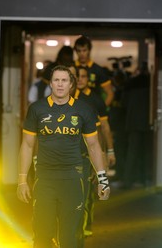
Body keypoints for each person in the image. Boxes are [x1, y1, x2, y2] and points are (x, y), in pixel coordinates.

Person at [16, 65, 110, 248]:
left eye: (64, 80)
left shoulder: (85, 110)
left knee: (70, 237)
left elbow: (94, 146)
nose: (60, 84)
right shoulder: (36, 109)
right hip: (45, 180)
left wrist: (103, 180)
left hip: (73, 180)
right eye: (56, 80)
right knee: (42, 235)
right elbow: (27, 146)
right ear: (50, 84)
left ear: (71, 85)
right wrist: (21, 180)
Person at [72, 66, 115, 244]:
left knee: (88, 192)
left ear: (87, 79)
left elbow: (103, 128)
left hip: (89, 153)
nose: (80, 79)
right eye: (77, 76)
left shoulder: (95, 100)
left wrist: (108, 152)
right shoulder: (63, 98)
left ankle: (84, 227)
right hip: (69, 153)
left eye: (83, 76)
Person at [121, 64, 153, 189]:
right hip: (147, 121)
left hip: (133, 121)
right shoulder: (151, 84)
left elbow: (124, 103)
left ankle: (128, 180)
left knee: (132, 152)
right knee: (146, 152)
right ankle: (145, 179)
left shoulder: (131, 83)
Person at [74, 35, 114, 107]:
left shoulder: (98, 70)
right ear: (76, 51)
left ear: (89, 50)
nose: (82, 54)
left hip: (93, 109)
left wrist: (101, 111)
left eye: (84, 50)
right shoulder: (71, 68)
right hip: (73, 109)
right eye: (79, 51)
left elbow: (110, 93)